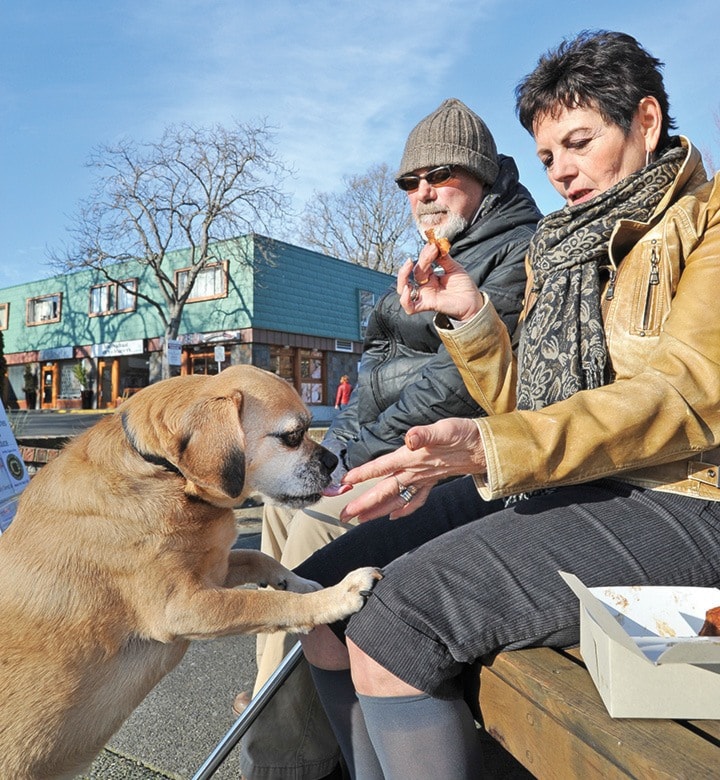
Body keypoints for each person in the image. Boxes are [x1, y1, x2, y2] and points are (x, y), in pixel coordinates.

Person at [295, 30, 720, 779]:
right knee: (325, 598)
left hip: (682, 498)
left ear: (646, 121)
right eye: (549, 154)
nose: (562, 172)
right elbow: (533, 400)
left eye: (580, 142)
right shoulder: (560, 244)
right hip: (572, 478)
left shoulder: (706, 220)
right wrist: (470, 319)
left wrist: (490, 449)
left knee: (394, 624)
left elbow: (684, 394)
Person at [238, 98, 542, 780]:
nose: (422, 192)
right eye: (409, 182)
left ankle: (287, 760)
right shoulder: (433, 255)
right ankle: (290, 728)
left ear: (484, 174)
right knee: (276, 535)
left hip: (457, 455)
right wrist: (335, 451)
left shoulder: (517, 249)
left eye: (440, 175)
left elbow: (456, 386)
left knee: (318, 541)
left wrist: (359, 459)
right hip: (386, 447)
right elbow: (370, 371)